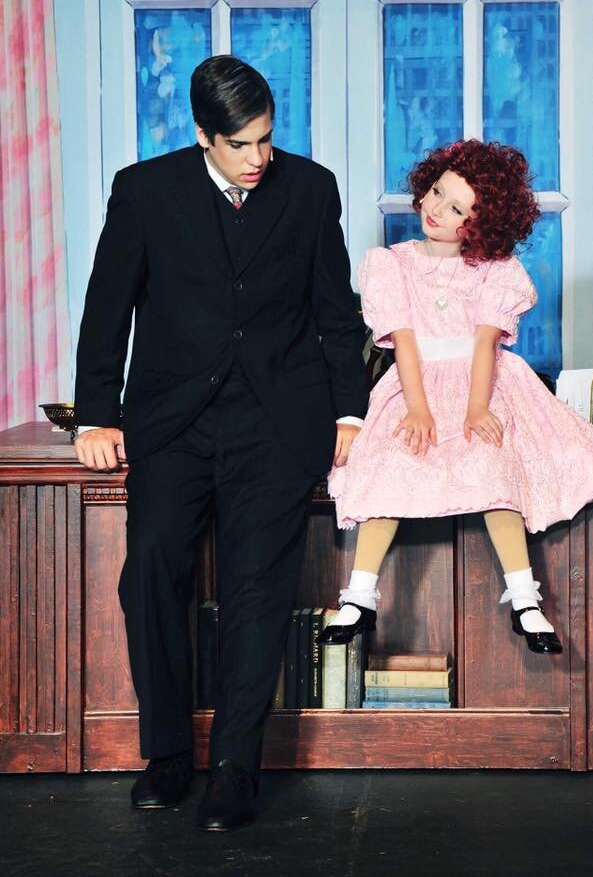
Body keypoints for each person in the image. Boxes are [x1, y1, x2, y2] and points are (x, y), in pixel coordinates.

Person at [73, 55, 368, 830]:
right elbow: (108, 307)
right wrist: (97, 415)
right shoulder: (145, 191)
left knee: (256, 591)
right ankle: (169, 753)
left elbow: (335, 311)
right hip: (173, 421)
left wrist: (350, 412)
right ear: (204, 136)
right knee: (150, 573)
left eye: (266, 138)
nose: (259, 156)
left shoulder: (311, 189)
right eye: (241, 144)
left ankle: (237, 766)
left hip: (277, 422)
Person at [322, 139, 593, 651]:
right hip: (415, 382)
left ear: (481, 224)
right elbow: (404, 343)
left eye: (458, 208)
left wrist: (477, 407)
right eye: (438, 192)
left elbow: (485, 345)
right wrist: (418, 408)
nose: (437, 209)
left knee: (494, 466)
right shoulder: (391, 265)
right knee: (389, 464)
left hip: (483, 382)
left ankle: (525, 599)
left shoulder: (495, 272)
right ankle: (360, 596)